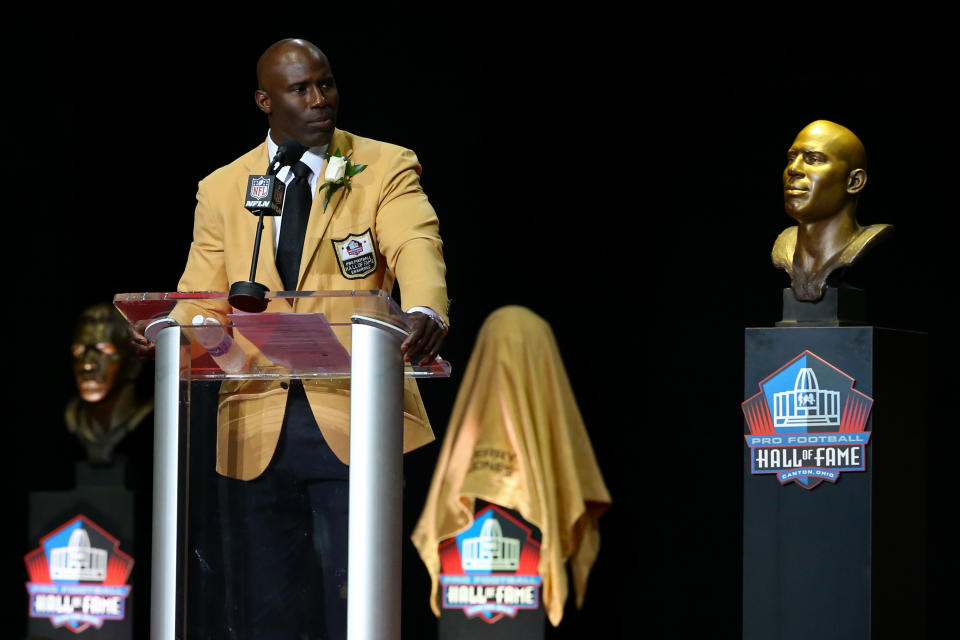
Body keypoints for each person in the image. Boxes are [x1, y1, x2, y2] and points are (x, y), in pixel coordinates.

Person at [131, 38, 449, 639]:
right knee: (268, 609)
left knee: (356, 603)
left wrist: (425, 306)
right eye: (300, 89)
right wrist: (169, 330)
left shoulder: (383, 165)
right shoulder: (223, 188)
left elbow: (416, 243)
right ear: (264, 101)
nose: (319, 99)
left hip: (355, 417)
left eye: (325, 84)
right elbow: (201, 295)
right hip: (252, 427)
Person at [772, 120, 892, 301]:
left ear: (854, 182)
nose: (793, 169)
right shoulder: (784, 246)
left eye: (813, 159)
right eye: (791, 158)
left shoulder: (863, 246)